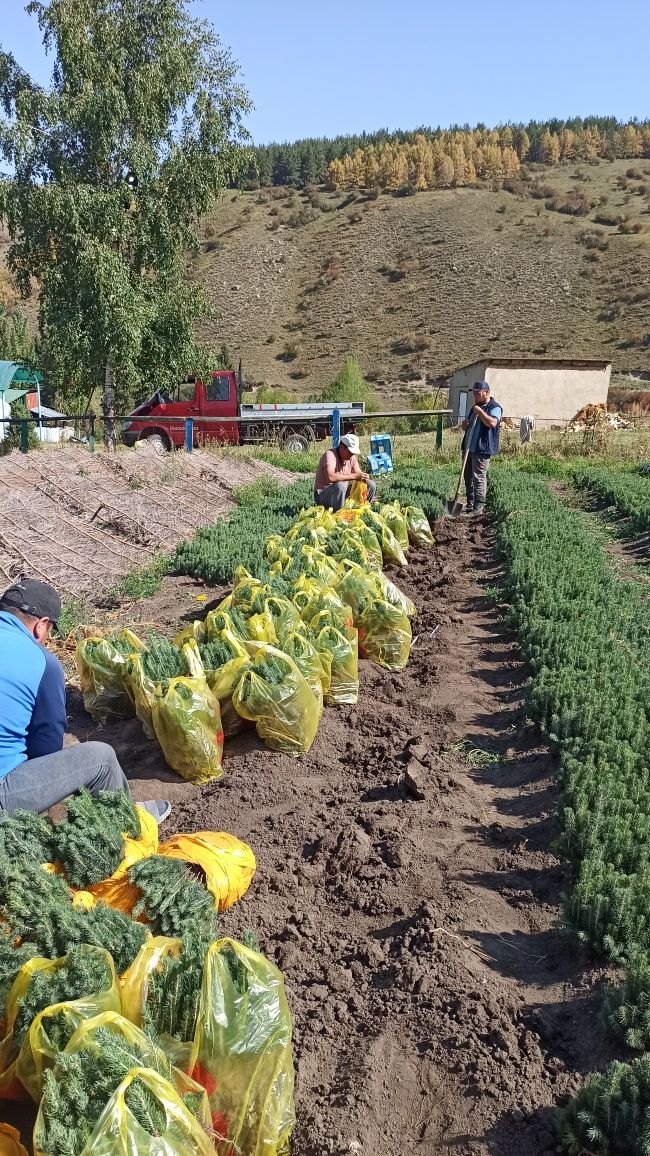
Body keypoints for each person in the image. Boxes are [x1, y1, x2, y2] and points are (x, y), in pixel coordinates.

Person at [0, 578, 170, 820]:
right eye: (49, 632)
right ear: (41, 625)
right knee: (101, 758)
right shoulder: (43, 663)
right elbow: (46, 749)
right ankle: (125, 823)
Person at [460, 381, 502, 514]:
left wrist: (480, 412)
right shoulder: (475, 407)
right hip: (469, 447)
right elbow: (465, 427)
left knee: (478, 477)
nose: (475, 396)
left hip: (482, 448)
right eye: (474, 393)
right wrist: (465, 425)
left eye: (478, 393)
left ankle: (479, 506)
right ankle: (470, 502)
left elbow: (492, 423)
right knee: (467, 477)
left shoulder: (494, 407)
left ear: (487, 392)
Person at [314, 433, 377, 511]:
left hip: (341, 493)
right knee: (341, 485)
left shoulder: (351, 458)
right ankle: (338, 516)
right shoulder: (330, 455)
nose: (352, 454)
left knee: (371, 484)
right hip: (323, 495)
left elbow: (358, 474)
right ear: (342, 447)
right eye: (350, 451)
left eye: (353, 452)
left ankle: (361, 511)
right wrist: (354, 476)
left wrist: (363, 477)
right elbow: (330, 477)